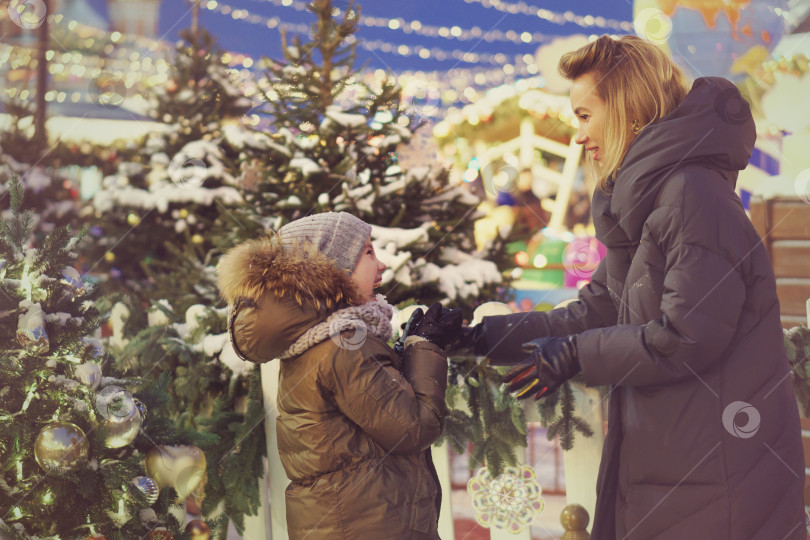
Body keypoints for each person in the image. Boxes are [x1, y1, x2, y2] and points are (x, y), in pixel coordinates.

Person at [451, 35, 805, 539]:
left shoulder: (693, 197)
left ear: (625, 108)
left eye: (584, 115)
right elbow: (597, 310)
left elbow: (686, 335)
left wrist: (575, 355)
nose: (578, 136)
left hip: (716, 481)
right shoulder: (649, 205)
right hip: (672, 467)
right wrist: (479, 338)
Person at [217, 212, 462, 539]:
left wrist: (404, 351)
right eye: (368, 253)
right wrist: (426, 346)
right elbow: (412, 428)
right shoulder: (343, 345)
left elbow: (375, 409)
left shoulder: (322, 341)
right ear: (334, 269)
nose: (382, 266)